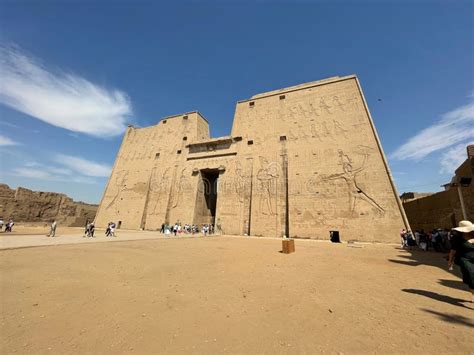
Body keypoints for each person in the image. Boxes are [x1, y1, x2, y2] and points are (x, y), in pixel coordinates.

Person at [448, 220, 474, 298]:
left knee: (469, 277)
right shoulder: (457, 238)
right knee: (471, 274)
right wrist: (450, 261)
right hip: (464, 259)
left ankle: (472, 289)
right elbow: (453, 251)